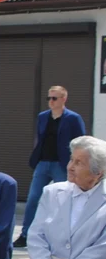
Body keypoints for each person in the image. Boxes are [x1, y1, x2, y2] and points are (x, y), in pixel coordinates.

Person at [16, 86, 86, 248]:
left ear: (63, 99)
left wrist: (75, 164)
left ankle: (65, 236)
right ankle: (25, 234)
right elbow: (39, 138)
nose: (51, 102)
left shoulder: (73, 118)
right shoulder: (43, 117)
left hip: (62, 164)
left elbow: (81, 142)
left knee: (66, 199)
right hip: (43, 163)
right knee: (33, 198)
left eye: (54, 98)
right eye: (49, 98)